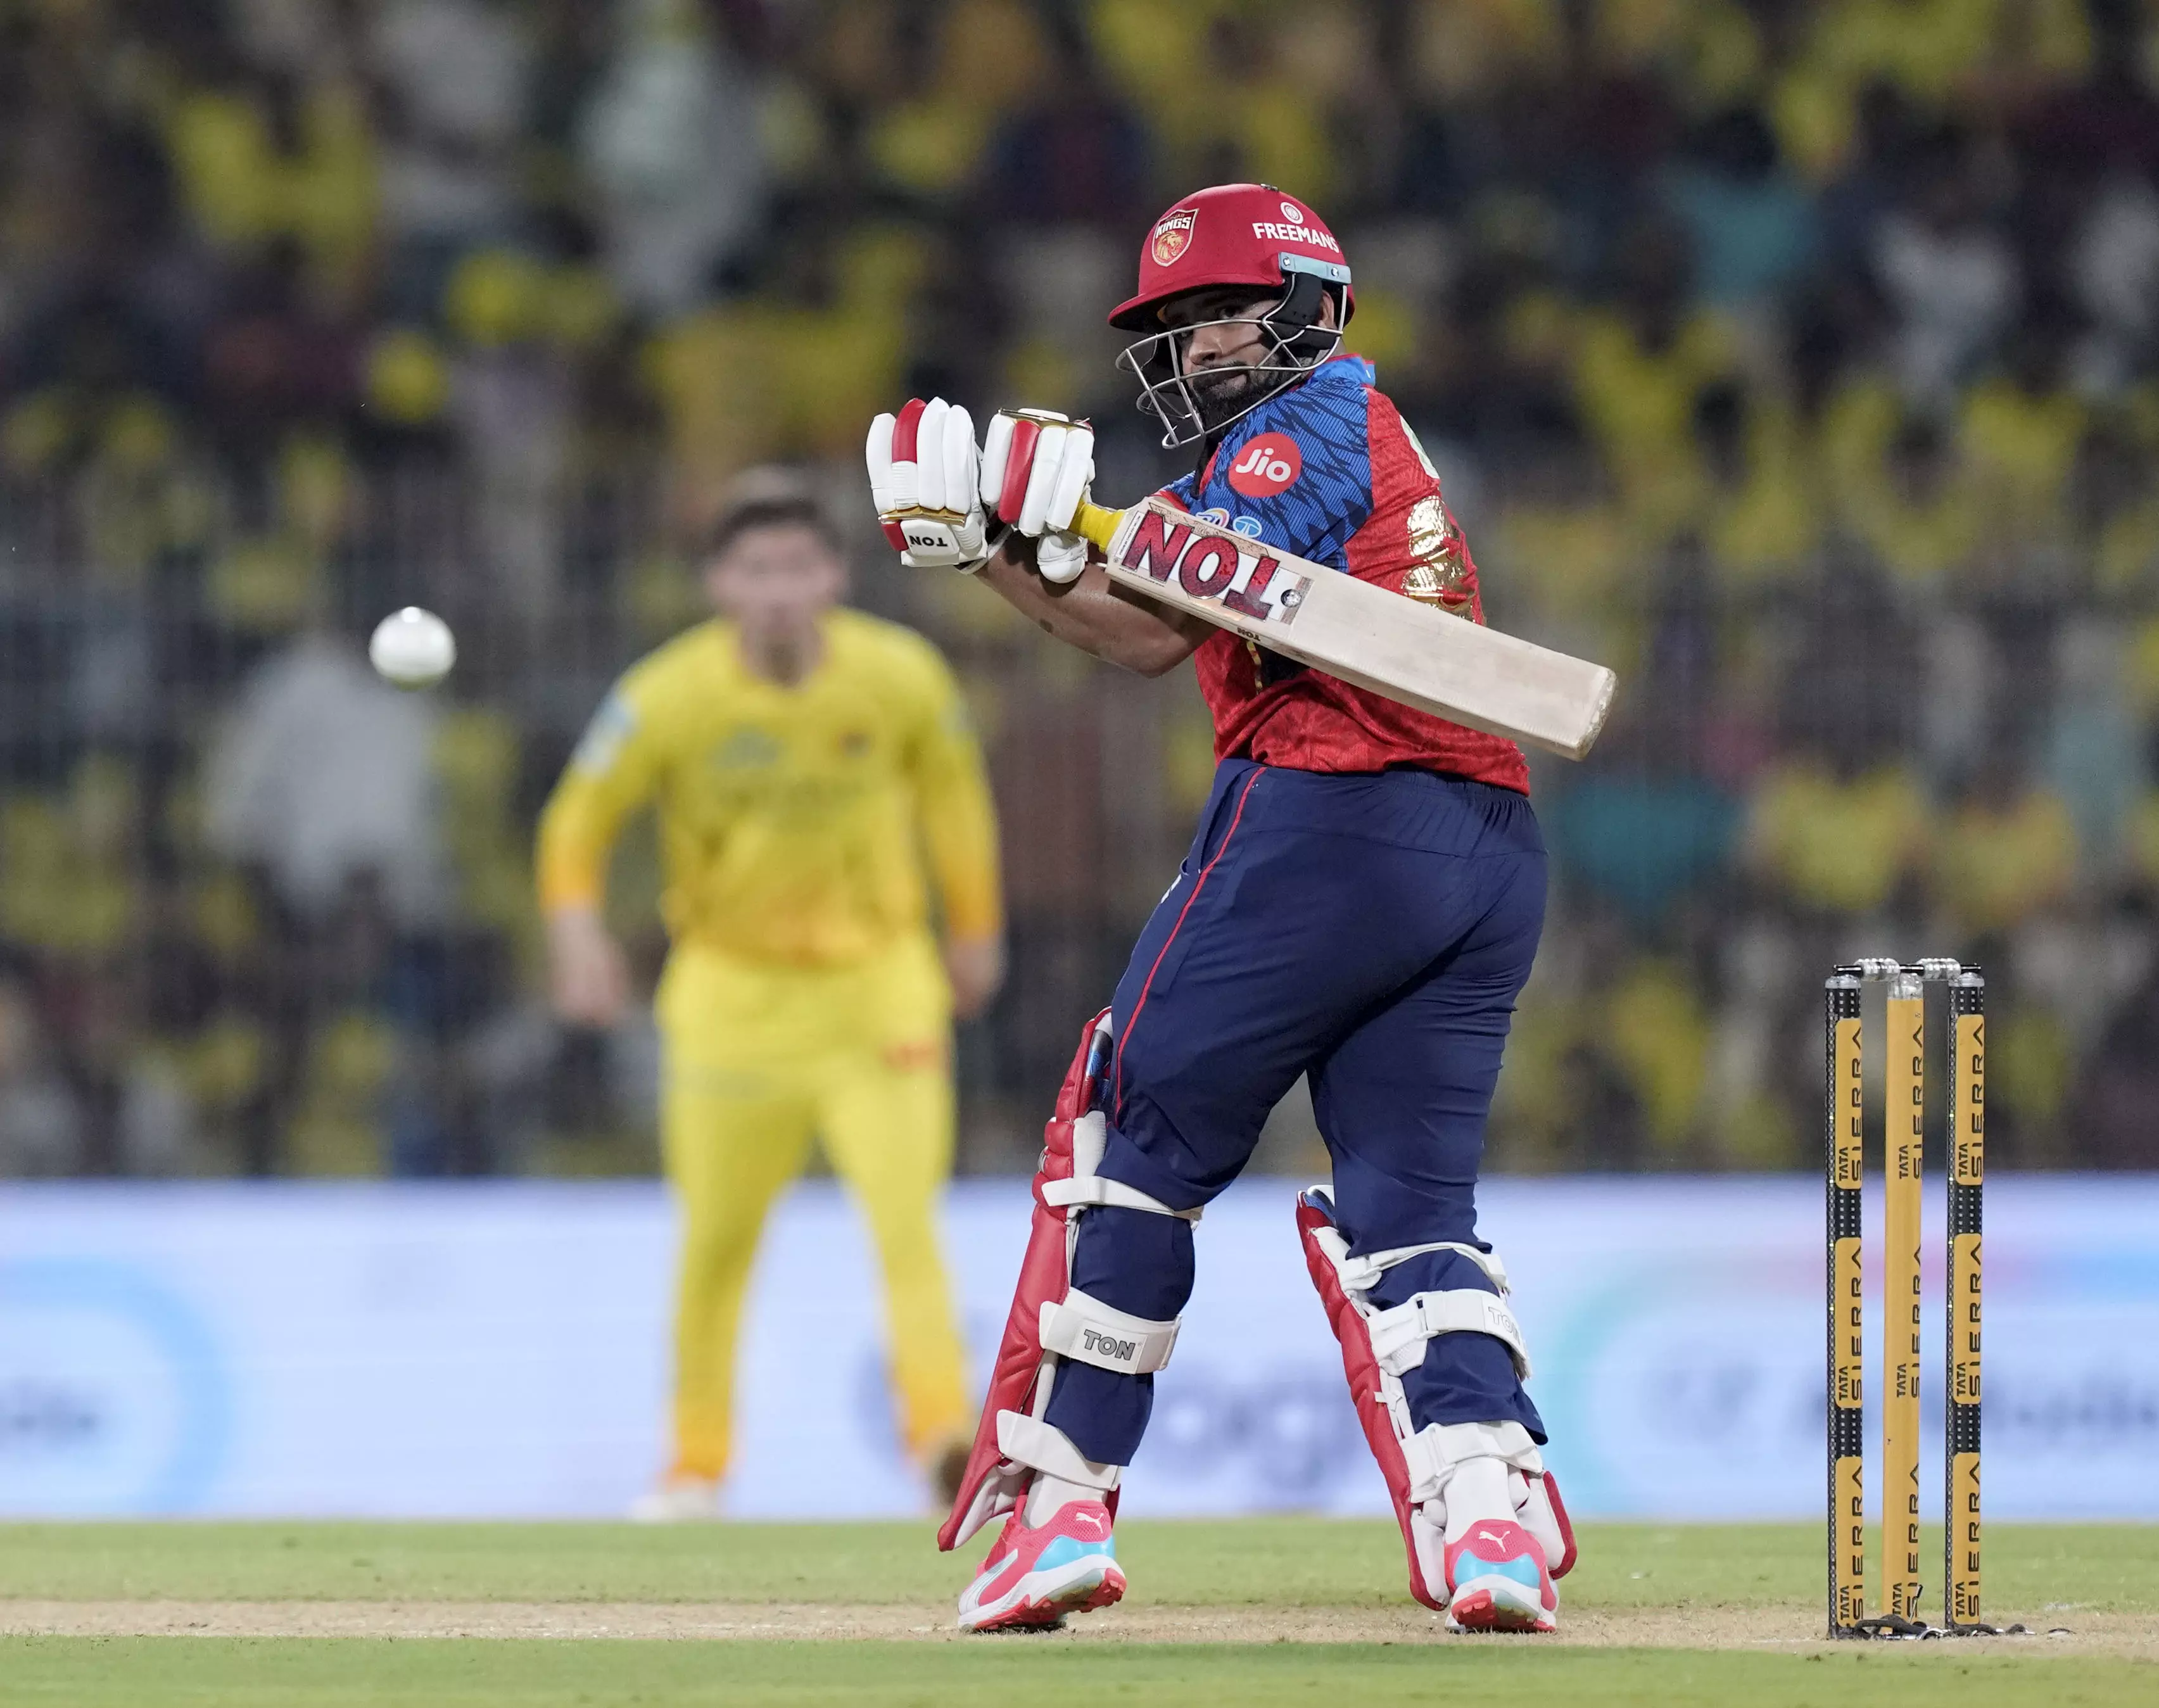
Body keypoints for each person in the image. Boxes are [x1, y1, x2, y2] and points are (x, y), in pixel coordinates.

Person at [868, 184, 1573, 1633]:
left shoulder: (1308, 424)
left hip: (1332, 818)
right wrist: (996, 545)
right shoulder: (1317, 440)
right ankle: (1489, 1514)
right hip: (1483, 847)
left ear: (1313, 307)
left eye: (1224, 314)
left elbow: (1153, 615)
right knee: (1412, 1207)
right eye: (1179, 326)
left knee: (1130, 1135)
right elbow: (1145, 614)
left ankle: (1062, 1505)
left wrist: (1024, 523)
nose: (1196, 348)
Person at [538, 474, 1004, 1519]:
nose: (780, 591)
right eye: (756, 570)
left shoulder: (902, 676)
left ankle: (943, 1441)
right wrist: (575, 932)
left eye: (798, 567)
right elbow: (576, 821)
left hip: (878, 992)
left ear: (835, 575)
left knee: (907, 1228)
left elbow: (955, 803)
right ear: (719, 584)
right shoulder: (666, 696)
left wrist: (976, 930)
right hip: (731, 1002)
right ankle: (695, 1469)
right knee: (716, 1247)